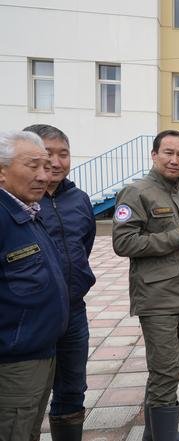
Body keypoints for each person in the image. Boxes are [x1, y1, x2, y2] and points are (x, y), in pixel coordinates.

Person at [113, 130, 179, 441]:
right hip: (156, 299)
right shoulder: (136, 192)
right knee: (166, 371)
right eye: (168, 152)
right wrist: (176, 237)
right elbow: (123, 242)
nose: (175, 159)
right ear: (154, 155)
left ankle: (154, 435)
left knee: (168, 369)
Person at [24, 124, 96, 441]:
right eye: (47, 154)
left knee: (72, 388)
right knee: (26, 396)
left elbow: (85, 246)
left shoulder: (79, 200)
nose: (56, 161)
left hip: (73, 313)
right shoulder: (15, 200)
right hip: (27, 317)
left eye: (63, 154)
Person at [0, 130, 68, 441]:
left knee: (28, 429)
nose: (44, 175)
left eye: (46, 166)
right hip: (14, 361)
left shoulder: (27, 212)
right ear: (2, 170)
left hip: (40, 350)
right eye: (33, 166)